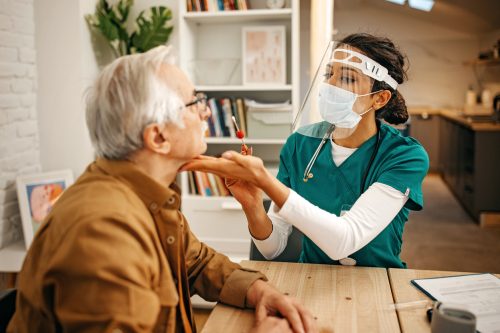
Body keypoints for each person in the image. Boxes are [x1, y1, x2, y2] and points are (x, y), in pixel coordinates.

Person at [7, 46, 316, 333]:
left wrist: (258, 290)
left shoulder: (146, 194)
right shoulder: (102, 230)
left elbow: (195, 262)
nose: (207, 113)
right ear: (157, 138)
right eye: (196, 104)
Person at [182, 33, 429, 268]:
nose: (330, 85)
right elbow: (272, 248)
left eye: (347, 78)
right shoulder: (300, 144)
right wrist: (253, 205)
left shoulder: (404, 156)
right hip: (310, 279)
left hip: (379, 283)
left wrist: (266, 181)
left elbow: (345, 240)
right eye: (329, 74)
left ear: (380, 98)